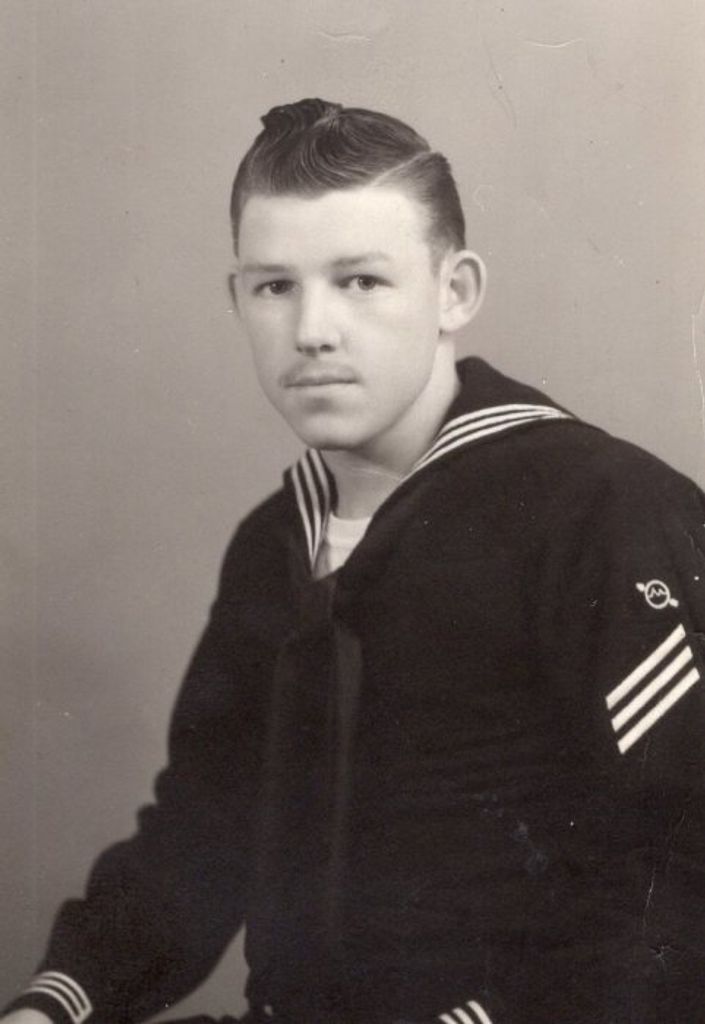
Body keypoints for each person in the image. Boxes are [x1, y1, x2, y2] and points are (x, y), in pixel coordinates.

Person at [4, 97, 705, 1024]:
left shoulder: (596, 507)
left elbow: (676, 875)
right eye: (274, 287)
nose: (312, 330)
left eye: (361, 281)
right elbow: (202, 832)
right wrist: (59, 1002)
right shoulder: (275, 542)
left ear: (454, 291)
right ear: (235, 299)